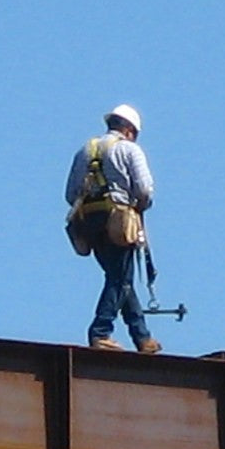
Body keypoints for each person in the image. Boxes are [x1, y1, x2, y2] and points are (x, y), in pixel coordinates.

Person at [65, 104, 162, 353]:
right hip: (117, 219)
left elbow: (70, 194)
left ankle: (142, 337)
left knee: (119, 278)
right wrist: (139, 206)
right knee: (120, 278)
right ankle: (100, 331)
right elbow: (144, 191)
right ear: (129, 129)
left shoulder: (85, 151)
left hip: (88, 221)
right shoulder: (129, 149)